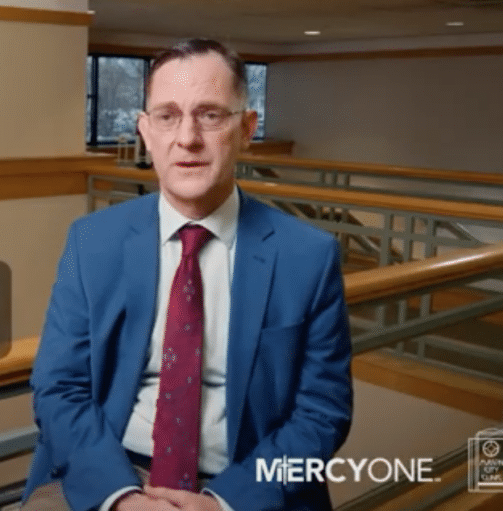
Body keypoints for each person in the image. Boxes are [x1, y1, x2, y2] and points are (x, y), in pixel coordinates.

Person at [21, 39, 353, 511]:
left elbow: (322, 414)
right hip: (113, 469)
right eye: (167, 116)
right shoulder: (92, 241)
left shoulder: (308, 256)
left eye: (211, 115)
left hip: (245, 484)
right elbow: (59, 387)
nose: (188, 138)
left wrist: (223, 503)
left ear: (246, 129)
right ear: (145, 132)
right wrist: (122, 499)